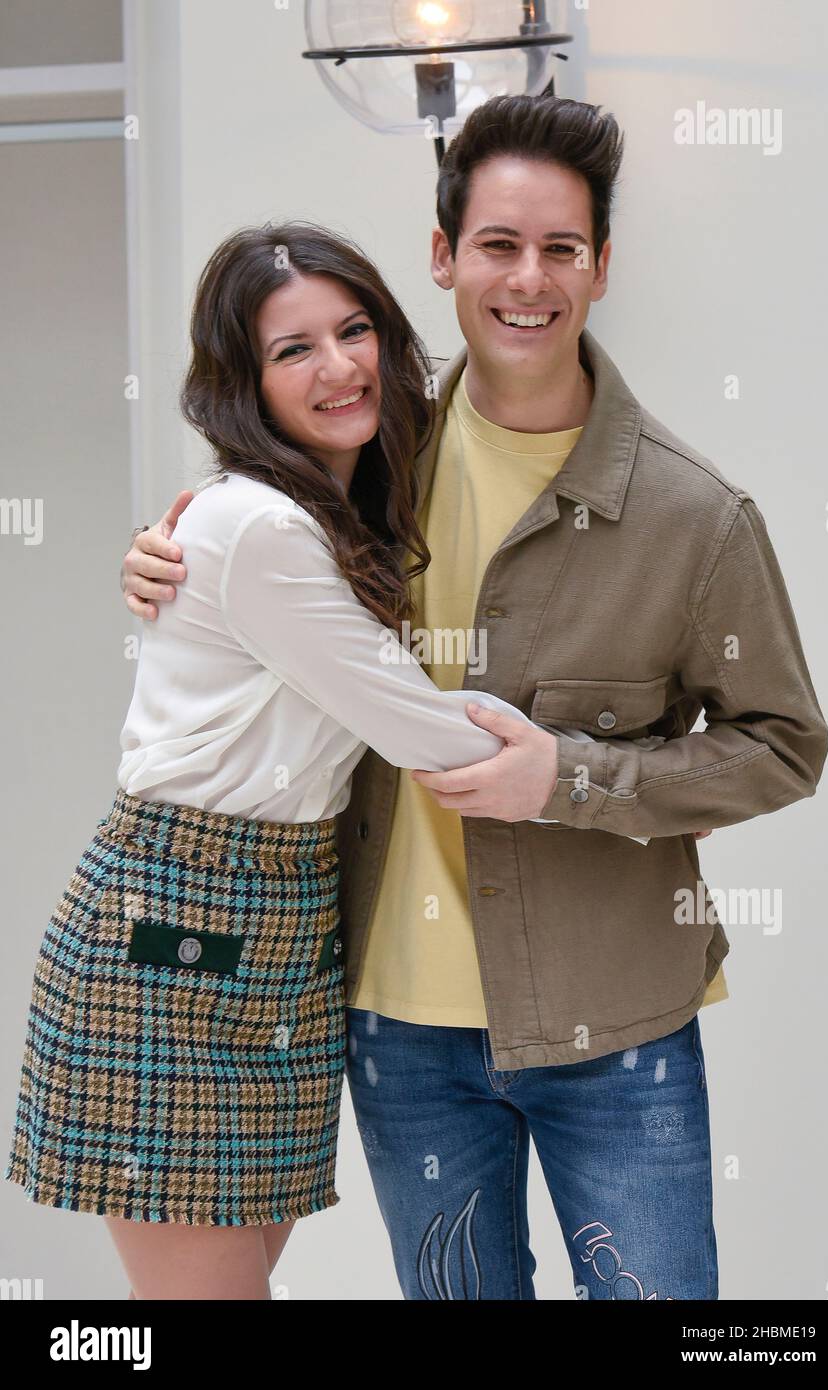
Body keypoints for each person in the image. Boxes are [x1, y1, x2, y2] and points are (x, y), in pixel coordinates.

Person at [121, 95, 828, 1300]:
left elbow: (779, 748)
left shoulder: (693, 519)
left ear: (602, 267)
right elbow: (255, 566)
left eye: (561, 248)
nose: (528, 279)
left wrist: (578, 776)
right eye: (497, 244)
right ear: (443, 256)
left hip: (617, 1027)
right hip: (396, 1026)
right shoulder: (360, 456)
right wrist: (162, 560)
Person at [4, 220, 555, 1301]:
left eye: (353, 329)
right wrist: (593, 764)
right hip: (169, 936)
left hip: (287, 929)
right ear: (242, 382)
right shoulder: (256, 525)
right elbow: (418, 731)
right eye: (291, 348)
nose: (338, 365)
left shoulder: (344, 511)